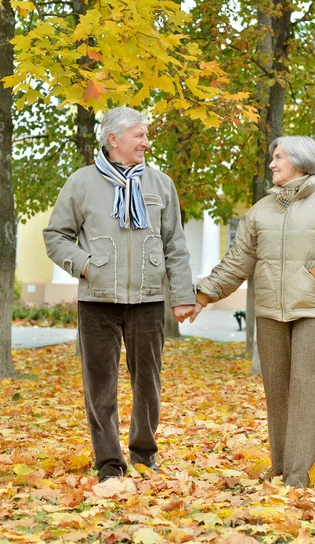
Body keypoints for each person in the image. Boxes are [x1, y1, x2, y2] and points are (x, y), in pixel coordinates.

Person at [191, 136, 315, 487]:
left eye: (279, 157)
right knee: (277, 390)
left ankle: (297, 476)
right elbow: (237, 261)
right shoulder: (261, 210)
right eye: (273, 158)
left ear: (301, 161)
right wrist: (204, 295)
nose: (272, 164)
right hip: (270, 312)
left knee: (306, 389)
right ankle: (280, 466)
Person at [43, 106, 195, 482]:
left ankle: (144, 455)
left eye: (146, 134)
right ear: (114, 139)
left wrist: (182, 294)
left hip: (147, 299)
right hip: (97, 301)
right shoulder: (81, 183)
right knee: (100, 386)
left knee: (148, 383)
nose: (147, 141)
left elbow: (175, 243)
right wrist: (85, 265)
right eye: (139, 135)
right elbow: (55, 236)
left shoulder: (161, 184)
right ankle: (109, 463)